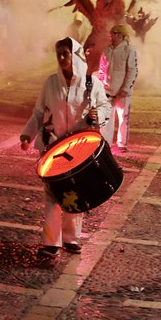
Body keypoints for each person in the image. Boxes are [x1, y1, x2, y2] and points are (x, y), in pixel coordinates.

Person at [20, 37, 111, 257]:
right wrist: (27, 134)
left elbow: (105, 106)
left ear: (75, 55)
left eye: (65, 54)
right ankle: (51, 242)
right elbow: (39, 112)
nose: (61, 58)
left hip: (80, 148)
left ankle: (71, 238)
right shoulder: (50, 83)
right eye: (59, 54)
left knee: (75, 192)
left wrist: (99, 114)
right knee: (52, 194)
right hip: (54, 146)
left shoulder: (91, 83)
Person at [101, 23, 139, 151]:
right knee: (106, 118)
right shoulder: (106, 50)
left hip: (123, 92)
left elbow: (132, 71)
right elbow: (102, 70)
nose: (111, 36)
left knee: (123, 118)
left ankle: (122, 144)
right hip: (107, 91)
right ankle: (106, 142)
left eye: (114, 33)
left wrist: (125, 89)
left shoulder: (129, 50)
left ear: (121, 35)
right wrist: (100, 86)